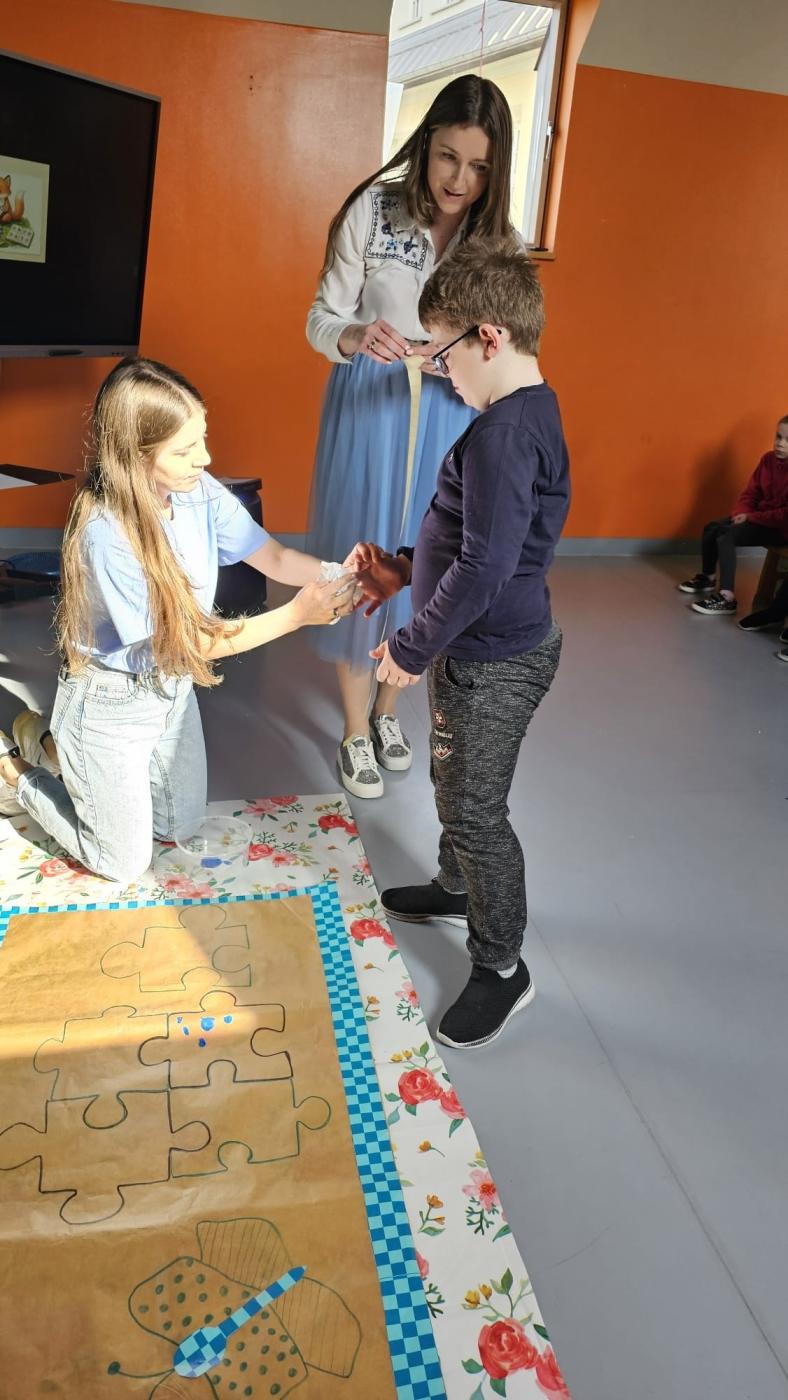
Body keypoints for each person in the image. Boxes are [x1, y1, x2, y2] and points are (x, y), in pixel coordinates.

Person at [0, 358, 356, 881]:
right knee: (123, 863)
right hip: (109, 705)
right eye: (185, 450)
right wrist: (299, 614)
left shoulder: (199, 491)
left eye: (202, 439)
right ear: (136, 453)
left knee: (179, 827)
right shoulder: (105, 532)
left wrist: (343, 574)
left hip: (172, 695)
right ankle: (17, 769)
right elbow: (188, 645)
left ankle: (54, 745)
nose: (204, 458)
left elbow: (276, 558)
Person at [350, 236, 570, 1050]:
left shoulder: (505, 434)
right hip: (478, 646)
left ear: (489, 337)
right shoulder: (522, 414)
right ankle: (454, 886)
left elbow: (485, 567)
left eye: (442, 355)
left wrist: (410, 648)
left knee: (476, 809)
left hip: (495, 657)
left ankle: (502, 965)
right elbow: (472, 540)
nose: (439, 372)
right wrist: (405, 567)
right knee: (454, 780)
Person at [306, 73, 516, 800]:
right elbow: (320, 318)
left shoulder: (498, 242)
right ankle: (353, 728)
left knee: (430, 560)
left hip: (454, 412)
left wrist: (477, 351)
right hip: (372, 402)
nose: (460, 180)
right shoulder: (371, 210)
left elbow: (509, 341)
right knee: (363, 553)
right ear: (426, 143)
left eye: (479, 166)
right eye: (449, 157)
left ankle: (389, 710)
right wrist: (356, 335)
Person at [679, 416, 788, 615]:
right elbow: (751, 493)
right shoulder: (767, 460)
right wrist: (742, 513)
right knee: (712, 527)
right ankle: (708, 577)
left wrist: (750, 518)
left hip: (781, 529)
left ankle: (727, 598)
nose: (780, 443)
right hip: (758, 517)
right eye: (778, 436)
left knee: (726, 535)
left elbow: (784, 515)